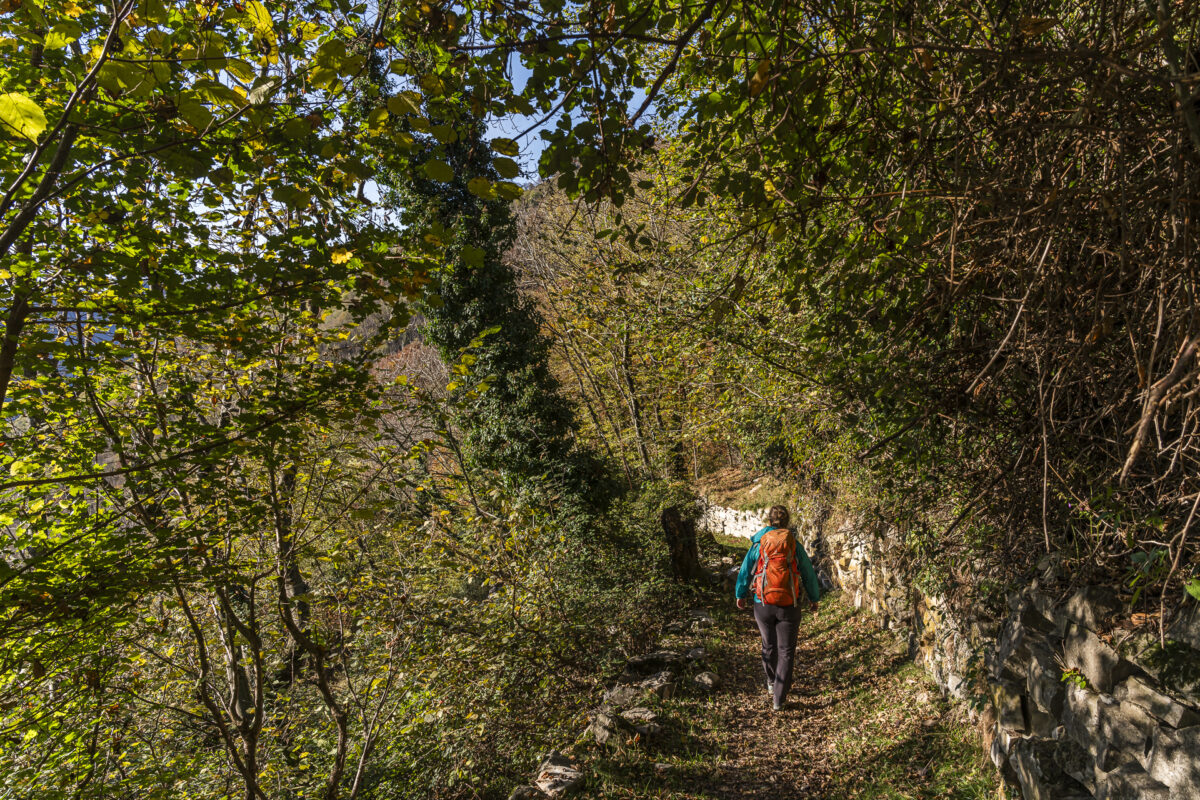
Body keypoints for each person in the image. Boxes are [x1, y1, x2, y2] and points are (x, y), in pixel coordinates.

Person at [734, 505, 820, 711]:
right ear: (787, 521)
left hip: (762, 602)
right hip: (789, 603)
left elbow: (746, 570)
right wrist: (814, 597)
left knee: (768, 645)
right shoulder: (793, 544)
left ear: (768, 520)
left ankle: (772, 682)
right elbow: (807, 572)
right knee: (786, 651)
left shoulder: (759, 544)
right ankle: (779, 699)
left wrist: (740, 593)